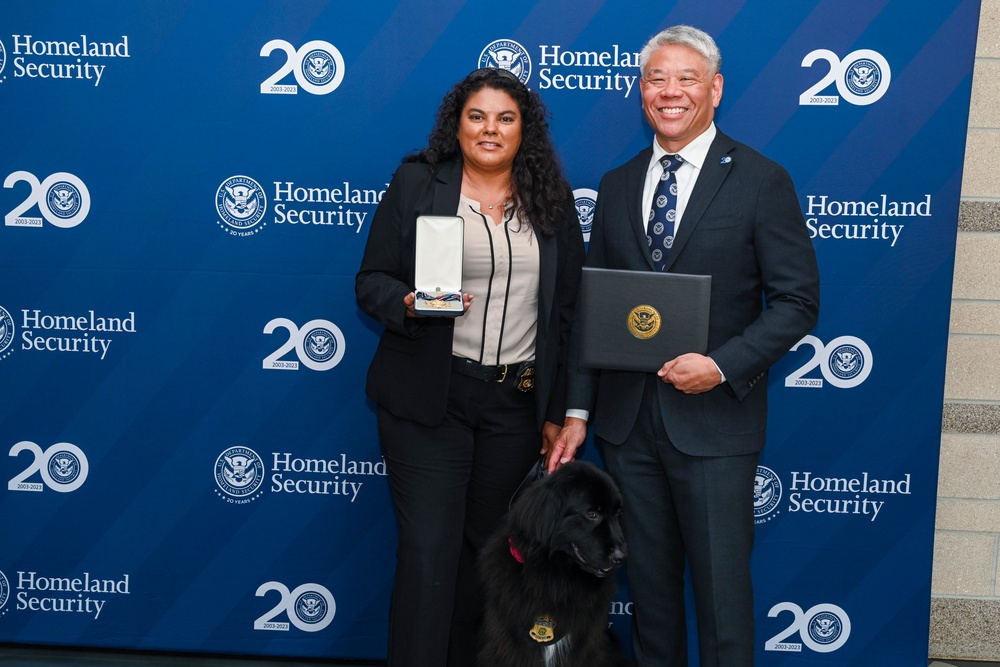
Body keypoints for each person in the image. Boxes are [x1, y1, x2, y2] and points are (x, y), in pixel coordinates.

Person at [549, 25, 820, 666]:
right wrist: (579, 412)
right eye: (655, 79)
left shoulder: (760, 179)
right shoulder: (617, 184)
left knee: (723, 598)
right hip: (626, 425)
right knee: (649, 596)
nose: (669, 92)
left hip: (714, 426)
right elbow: (596, 307)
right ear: (640, 90)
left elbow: (798, 303)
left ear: (715, 89)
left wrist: (721, 366)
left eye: (685, 78)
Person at [356, 67, 585, 667]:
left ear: (524, 130)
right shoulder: (417, 183)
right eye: (477, 116)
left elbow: (567, 317)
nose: (490, 129)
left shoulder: (553, 200)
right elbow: (370, 281)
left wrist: (561, 413)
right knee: (429, 552)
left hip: (514, 407)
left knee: (485, 555)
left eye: (506, 118)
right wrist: (406, 303)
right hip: (431, 399)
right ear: (456, 125)